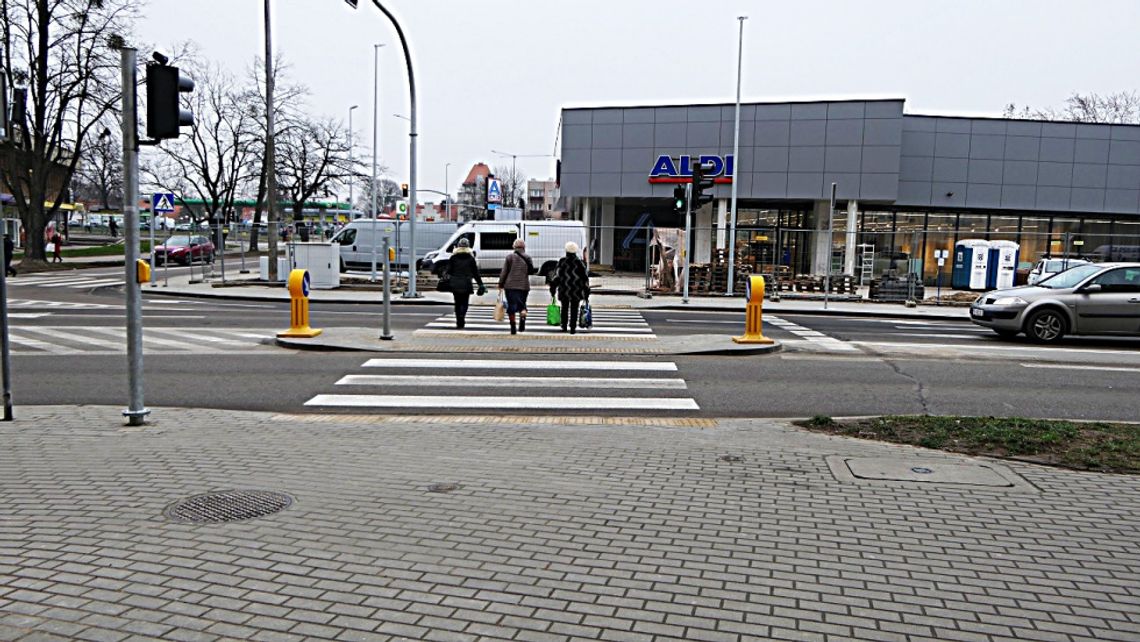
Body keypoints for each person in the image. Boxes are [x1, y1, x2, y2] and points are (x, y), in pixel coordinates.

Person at [497, 238, 534, 335]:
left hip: (510, 286)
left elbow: (504, 272)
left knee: (512, 306)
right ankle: (522, 318)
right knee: (522, 304)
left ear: (514, 247)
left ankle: (513, 327)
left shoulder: (509, 257)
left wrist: (501, 283)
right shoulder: (528, 258)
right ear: (524, 247)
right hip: (524, 286)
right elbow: (531, 271)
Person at [447, 238, 485, 329]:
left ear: (458, 246)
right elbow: (476, 273)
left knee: (457, 303)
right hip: (466, 283)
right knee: (465, 302)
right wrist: (480, 284)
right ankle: (462, 316)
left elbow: (448, 271)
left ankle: (458, 320)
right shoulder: (470, 259)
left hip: (455, 283)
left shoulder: (453, 258)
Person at [553, 242, 590, 334]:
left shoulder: (562, 261)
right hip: (576, 290)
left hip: (564, 289)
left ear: (566, 251)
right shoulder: (579, 263)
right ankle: (572, 327)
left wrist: (553, 287)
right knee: (574, 308)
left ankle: (564, 325)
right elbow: (585, 277)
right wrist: (586, 291)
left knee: (564, 308)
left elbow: (557, 276)